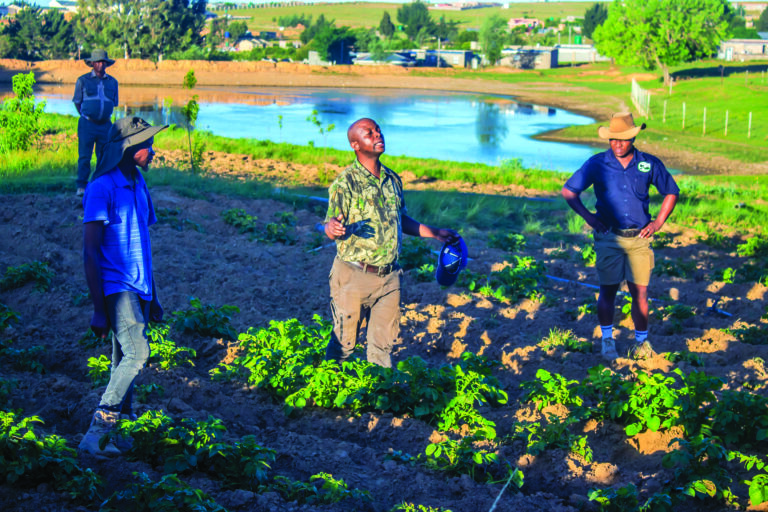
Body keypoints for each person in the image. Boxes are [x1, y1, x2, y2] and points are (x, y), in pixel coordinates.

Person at [323, 118, 459, 368]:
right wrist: (332, 228)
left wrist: (435, 233)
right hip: (354, 275)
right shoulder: (345, 184)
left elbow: (400, 219)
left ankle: (378, 395)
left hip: (390, 276)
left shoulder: (393, 180)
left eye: (378, 130)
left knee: (382, 347)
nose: (377, 135)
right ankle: (327, 387)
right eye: (369, 133)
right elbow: (330, 226)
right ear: (355, 144)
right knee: (344, 343)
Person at [79, 116, 166, 457]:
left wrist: (153, 296)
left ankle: (111, 436)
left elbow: (143, 243)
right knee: (138, 353)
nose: (153, 150)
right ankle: (96, 431)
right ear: (129, 149)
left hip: (139, 286)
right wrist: (99, 308)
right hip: (117, 288)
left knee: (122, 361)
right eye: (147, 144)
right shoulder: (102, 187)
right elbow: (89, 251)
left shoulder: (139, 183)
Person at [561, 112, 679, 361]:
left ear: (633, 138)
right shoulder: (597, 164)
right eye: (613, 139)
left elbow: (671, 191)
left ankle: (641, 343)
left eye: (623, 139)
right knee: (608, 291)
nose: (617, 144)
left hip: (639, 240)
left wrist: (658, 223)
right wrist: (589, 218)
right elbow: (569, 191)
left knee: (640, 293)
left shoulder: (648, 163)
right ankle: (607, 340)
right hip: (609, 238)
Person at [73, 49, 119, 196]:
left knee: (104, 156)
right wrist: (87, 115)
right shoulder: (82, 80)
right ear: (92, 63)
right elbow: (77, 102)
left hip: (105, 125)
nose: (101, 64)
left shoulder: (113, 82)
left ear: (107, 64)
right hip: (87, 124)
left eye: (103, 62)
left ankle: (100, 184)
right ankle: (81, 186)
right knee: (85, 156)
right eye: (98, 62)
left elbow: (114, 103)